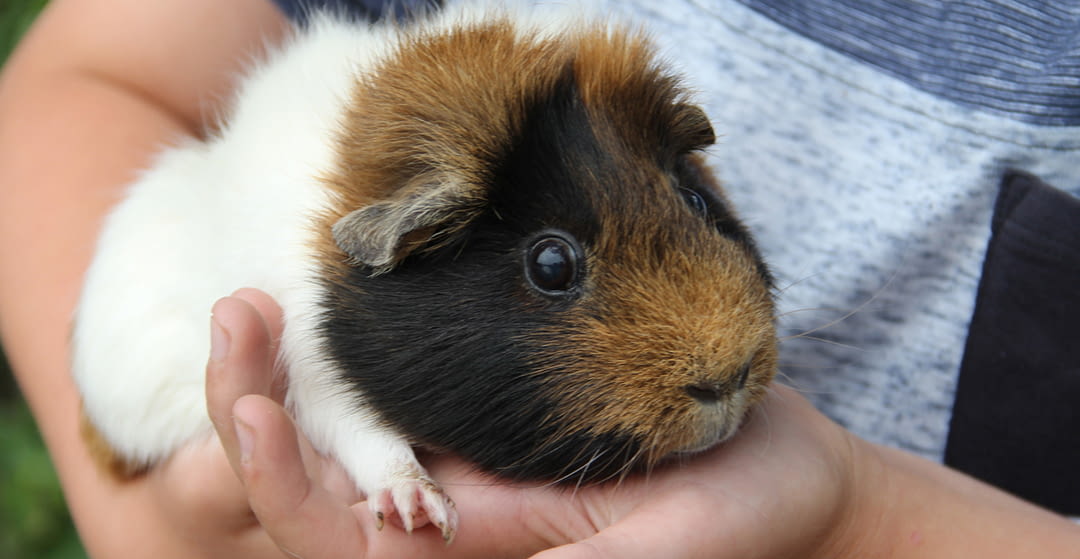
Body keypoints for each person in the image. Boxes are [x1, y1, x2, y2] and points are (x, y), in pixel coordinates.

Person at [0, 0, 1077, 558]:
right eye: (554, 268)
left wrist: (862, 523)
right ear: (404, 240)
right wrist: (172, 528)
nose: (720, 349)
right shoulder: (305, 234)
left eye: (697, 205)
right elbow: (87, 80)